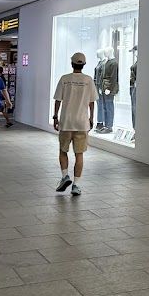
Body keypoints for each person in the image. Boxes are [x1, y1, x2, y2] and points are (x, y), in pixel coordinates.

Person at [52, 52, 97, 197]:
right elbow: (91, 102)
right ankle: (76, 185)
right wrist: (91, 119)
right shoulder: (88, 80)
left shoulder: (65, 79)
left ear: (72, 64)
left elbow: (58, 99)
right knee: (79, 154)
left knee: (63, 151)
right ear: (83, 65)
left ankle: (65, 176)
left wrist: (55, 117)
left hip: (66, 121)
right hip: (82, 123)